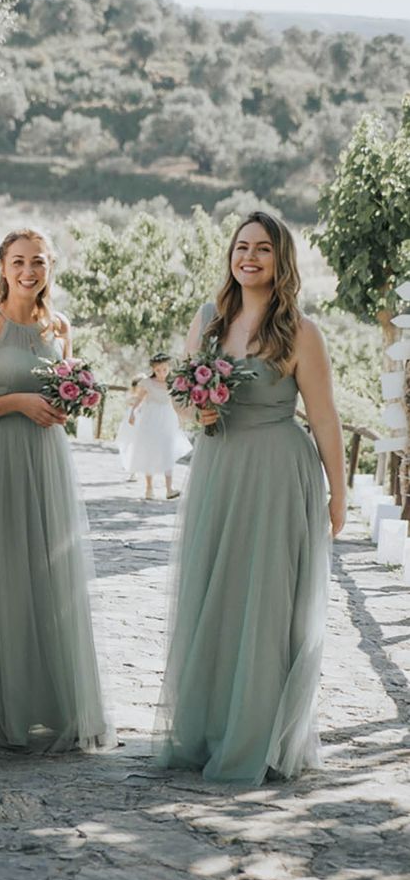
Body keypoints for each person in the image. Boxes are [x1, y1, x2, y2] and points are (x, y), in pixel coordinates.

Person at [156, 212, 345, 784]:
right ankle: (212, 726)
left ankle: (256, 736)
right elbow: (183, 397)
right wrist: (198, 410)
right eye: (242, 247)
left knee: (264, 603)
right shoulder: (209, 321)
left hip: (277, 474)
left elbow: (325, 417)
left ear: (279, 260)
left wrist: (338, 496)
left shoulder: (300, 332)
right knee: (215, 595)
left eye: (263, 249)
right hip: (218, 466)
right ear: (231, 256)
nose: (250, 258)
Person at [0, 227, 111, 752]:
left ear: (49, 268)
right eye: (18, 261)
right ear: (2, 266)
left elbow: (67, 393)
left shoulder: (60, 328)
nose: (28, 271)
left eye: (38, 262)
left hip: (46, 462)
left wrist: (70, 404)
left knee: (48, 577)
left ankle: (50, 703)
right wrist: (17, 402)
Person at [126, 353, 192, 500]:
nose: (162, 373)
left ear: (168, 368)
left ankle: (169, 489)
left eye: (164, 369)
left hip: (167, 419)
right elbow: (139, 399)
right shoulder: (147, 383)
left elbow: (176, 402)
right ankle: (149, 488)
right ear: (153, 370)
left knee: (167, 450)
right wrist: (132, 412)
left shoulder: (173, 383)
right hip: (150, 419)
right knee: (149, 450)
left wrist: (181, 417)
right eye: (158, 370)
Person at [114, 374, 143, 481]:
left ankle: (136, 470)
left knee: (138, 445)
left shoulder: (146, 398)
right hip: (130, 423)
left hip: (141, 423)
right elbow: (128, 402)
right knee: (129, 444)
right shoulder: (132, 397)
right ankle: (132, 470)